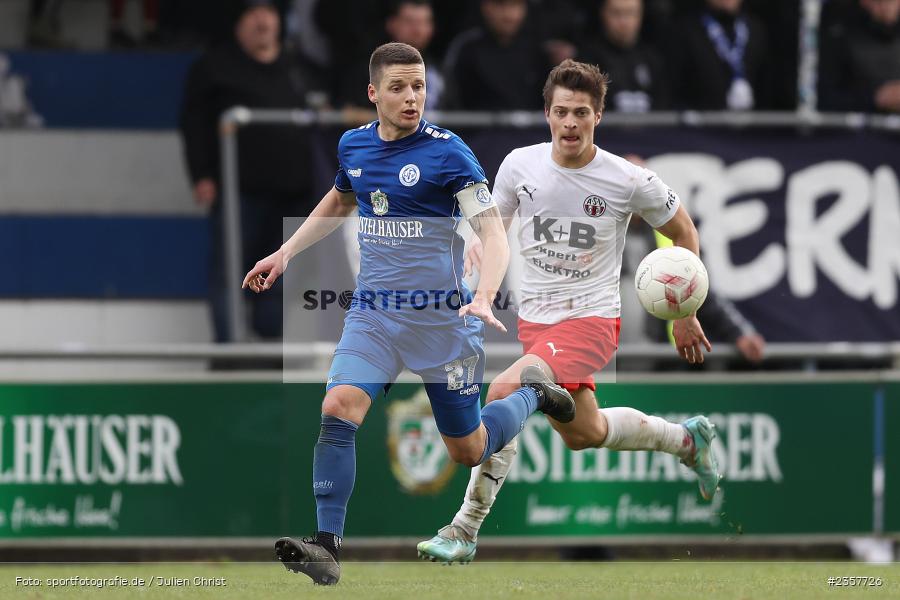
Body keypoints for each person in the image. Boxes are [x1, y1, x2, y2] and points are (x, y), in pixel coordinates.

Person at [241, 42, 577, 585]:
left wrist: (485, 294)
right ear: (373, 93)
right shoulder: (354, 146)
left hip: (445, 322)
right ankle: (326, 546)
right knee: (338, 404)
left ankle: (534, 392)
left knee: (467, 450)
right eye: (398, 87)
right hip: (375, 316)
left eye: (418, 86)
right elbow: (340, 200)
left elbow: (493, 233)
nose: (411, 97)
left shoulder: (449, 154)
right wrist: (284, 254)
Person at [416, 59, 721, 565]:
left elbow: (684, 231)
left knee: (506, 389)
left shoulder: (628, 179)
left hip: (594, 322)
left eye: (581, 112)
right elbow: (496, 230)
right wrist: (477, 256)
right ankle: (687, 440)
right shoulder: (519, 165)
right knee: (586, 434)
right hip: (537, 325)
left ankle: (464, 529)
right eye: (561, 112)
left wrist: (685, 311)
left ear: (598, 115)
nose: (570, 123)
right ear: (547, 113)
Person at [179, 0, 322, 344]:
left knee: (279, 275)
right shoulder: (214, 68)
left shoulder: (300, 68)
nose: (262, 20)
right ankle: (230, 356)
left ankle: (268, 351)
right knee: (229, 274)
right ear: (238, 23)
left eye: (269, 12)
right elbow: (193, 125)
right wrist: (201, 175)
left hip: (294, 192)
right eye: (252, 12)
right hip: (238, 192)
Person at [442, 0, 550, 110]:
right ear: (485, 7)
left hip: (531, 126)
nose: (508, 15)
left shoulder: (537, 50)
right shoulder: (466, 49)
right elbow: (452, 99)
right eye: (500, 5)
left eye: (515, 5)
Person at [665, 0, 770, 110]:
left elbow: (768, 88)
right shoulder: (685, 31)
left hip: (754, 123)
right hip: (702, 123)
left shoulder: (756, 30)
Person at [578, 0, 670, 112]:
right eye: (616, 13)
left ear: (640, 15)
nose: (624, 22)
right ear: (603, 14)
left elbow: (664, 108)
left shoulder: (652, 60)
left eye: (630, 13)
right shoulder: (587, 61)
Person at [819, 0, 900, 113]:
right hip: (856, 123)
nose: (885, 8)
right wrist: (876, 98)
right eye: (879, 2)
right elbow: (826, 97)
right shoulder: (838, 29)